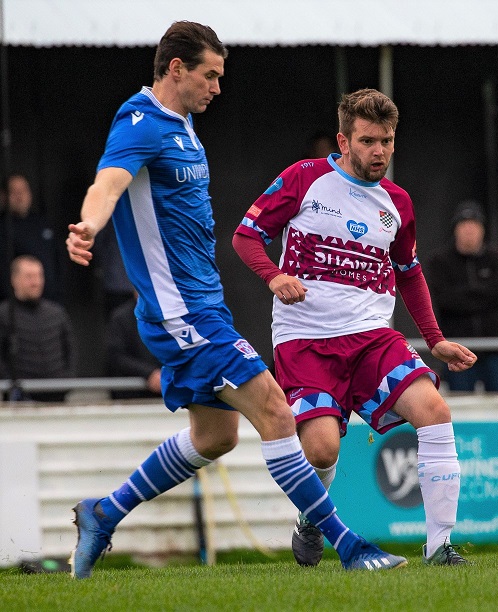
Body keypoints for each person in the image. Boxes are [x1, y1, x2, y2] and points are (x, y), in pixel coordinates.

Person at [64, 22, 406, 579]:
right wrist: (89, 224)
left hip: (204, 306)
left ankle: (104, 513)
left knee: (215, 436)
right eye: (211, 75)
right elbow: (109, 182)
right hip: (181, 313)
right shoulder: (139, 121)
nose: (218, 88)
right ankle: (348, 545)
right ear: (177, 68)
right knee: (275, 408)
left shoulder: (184, 124)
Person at [233, 88, 477, 567]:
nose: (379, 151)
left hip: (371, 336)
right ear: (343, 140)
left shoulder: (398, 203)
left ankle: (439, 547)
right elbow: (246, 237)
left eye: (387, 140)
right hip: (305, 342)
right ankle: (312, 517)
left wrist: (436, 340)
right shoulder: (304, 179)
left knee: (435, 411)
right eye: (367, 141)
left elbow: (408, 272)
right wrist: (274, 275)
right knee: (321, 450)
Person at [427, 200, 498, 392]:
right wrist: (480, 294)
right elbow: (445, 300)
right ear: (455, 229)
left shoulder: (497, 257)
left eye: (474, 224)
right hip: (457, 351)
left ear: (482, 229)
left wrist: (464, 295)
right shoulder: (440, 261)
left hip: (496, 349)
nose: (469, 230)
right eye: (464, 224)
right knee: (459, 407)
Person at [0, 254, 76, 401]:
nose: (35, 282)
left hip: (57, 397)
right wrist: (11, 385)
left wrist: (67, 382)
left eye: (39, 276)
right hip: (19, 399)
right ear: (14, 280)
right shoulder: (4, 314)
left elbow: (70, 350)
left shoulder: (57, 313)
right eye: (29, 276)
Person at [1, 173, 62, 303]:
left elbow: (57, 260)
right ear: (3, 196)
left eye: (23, 190)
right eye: (14, 191)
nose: (20, 196)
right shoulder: (3, 227)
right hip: (15, 307)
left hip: (50, 302)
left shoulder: (43, 223)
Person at [105, 292, 162, 399]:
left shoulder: (176, 315)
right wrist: (150, 373)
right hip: (131, 395)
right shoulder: (120, 317)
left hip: (169, 393)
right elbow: (116, 356)